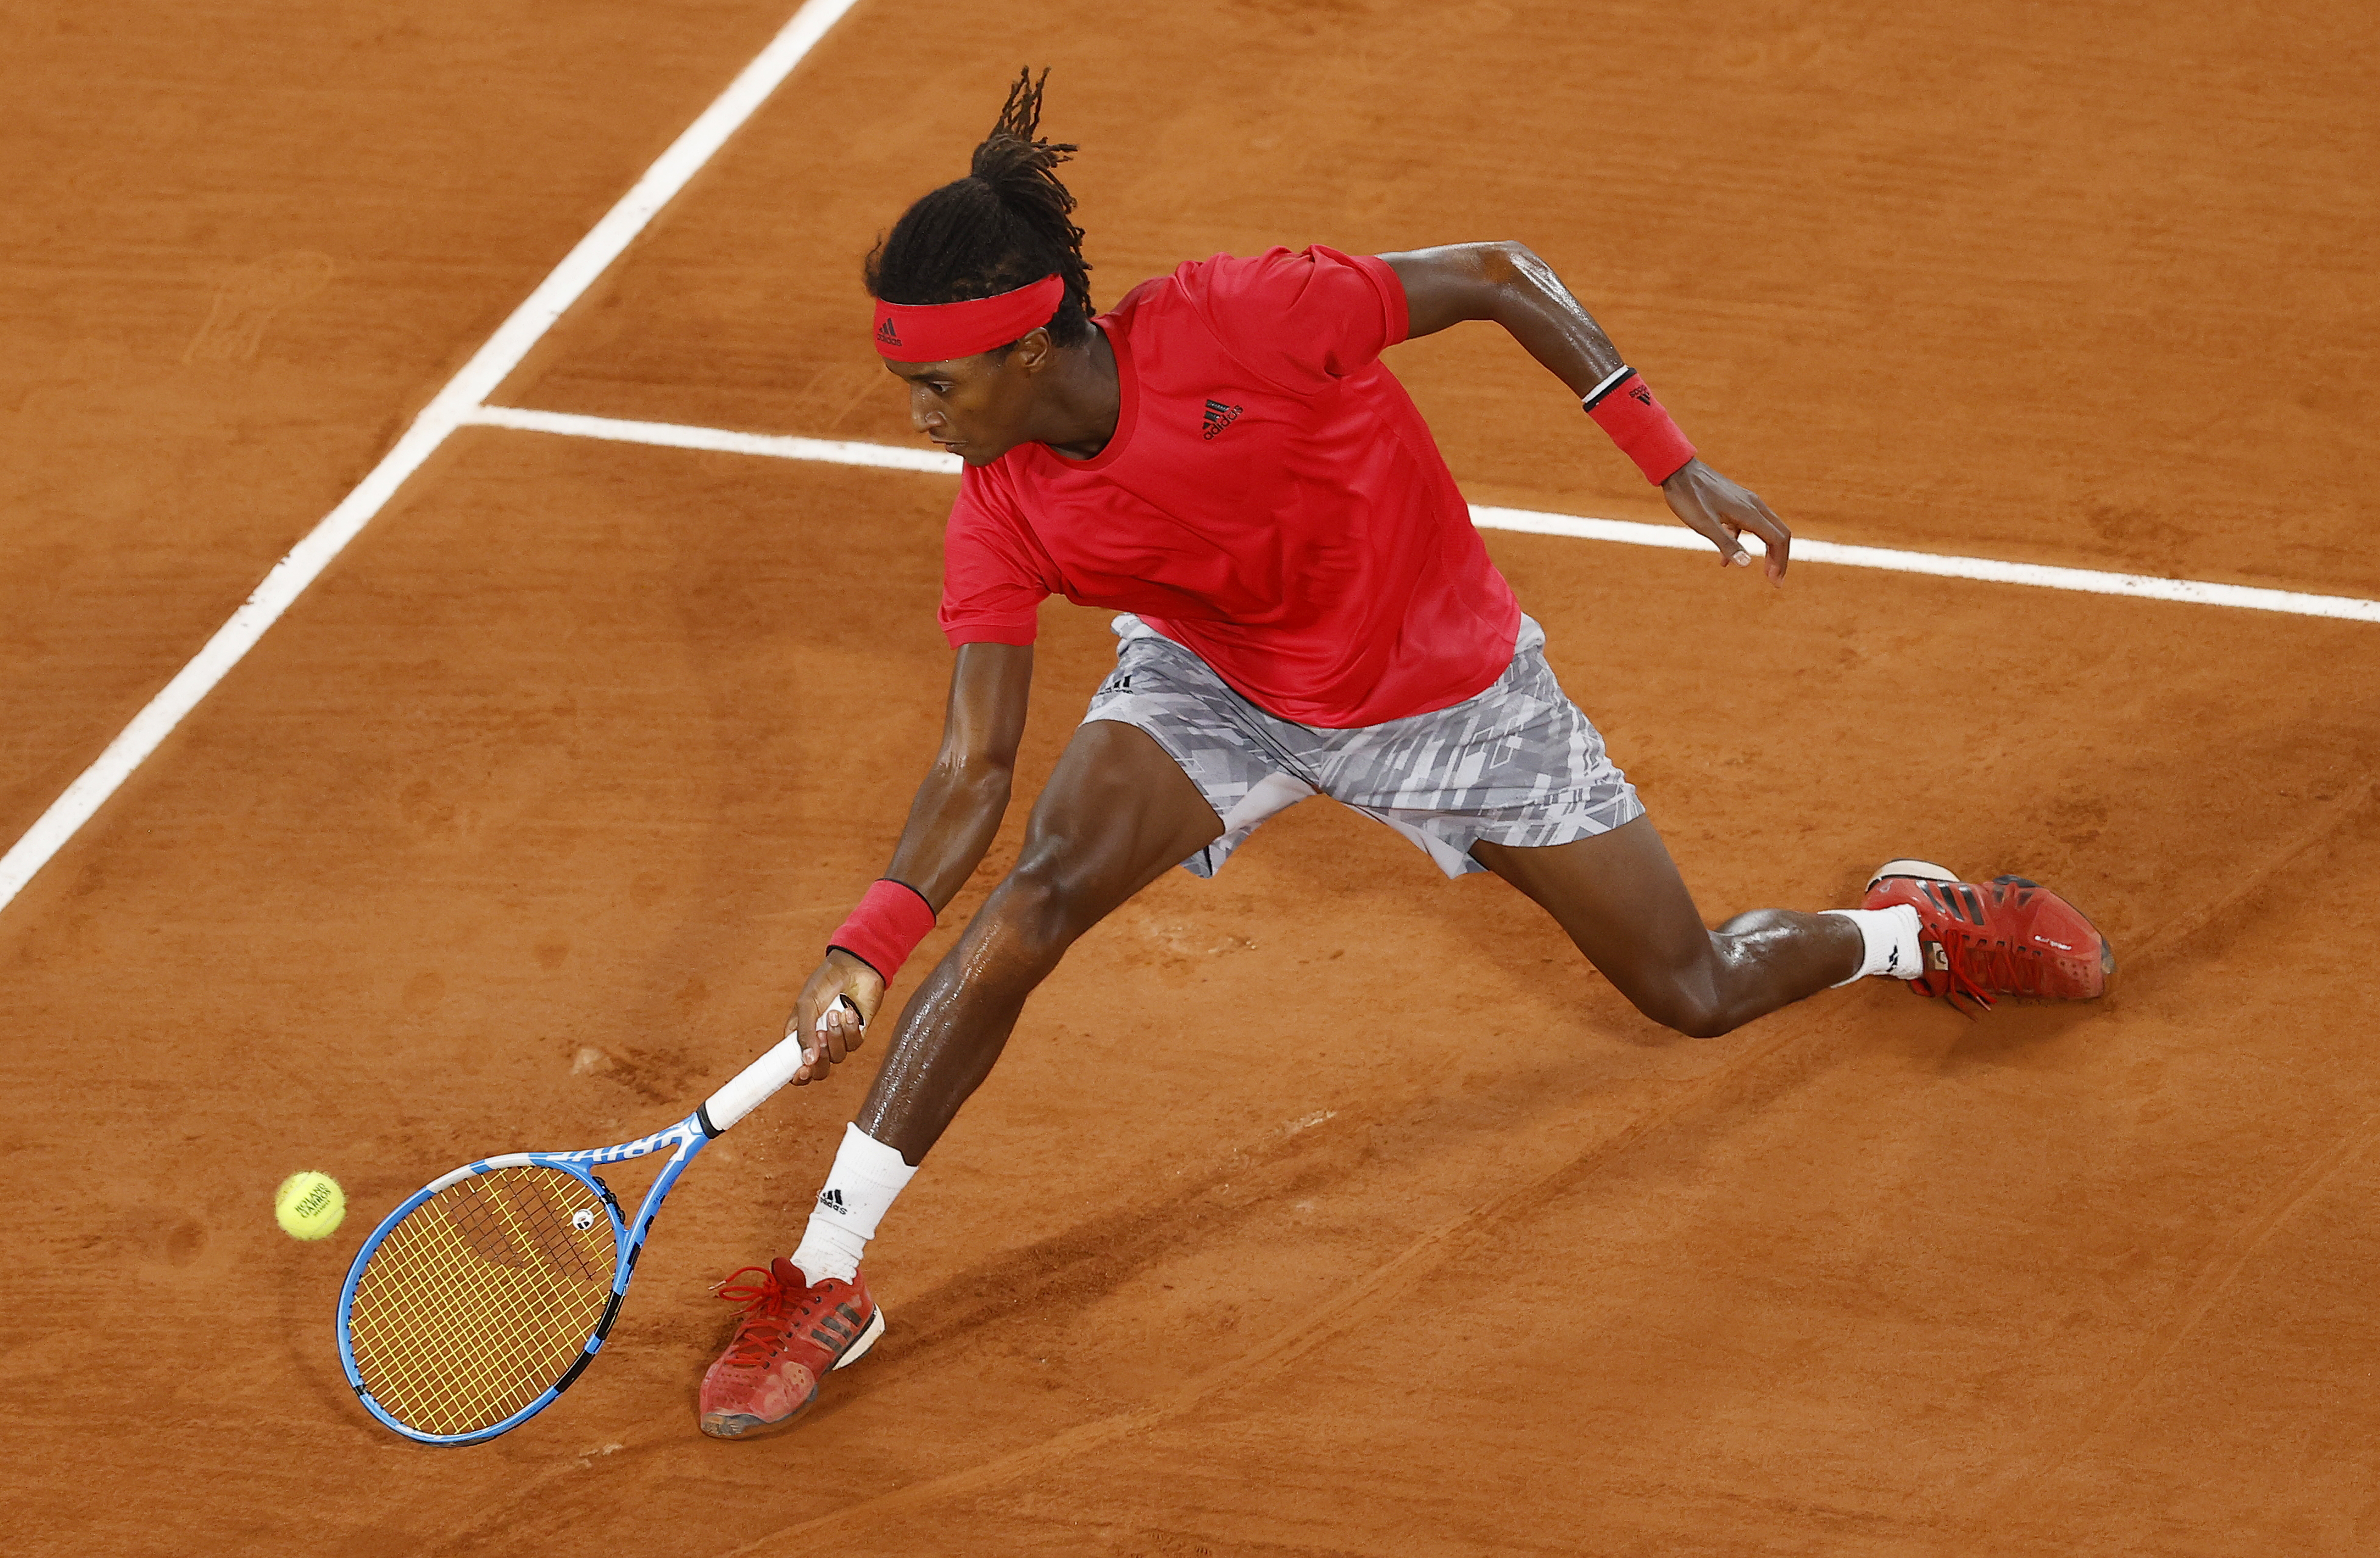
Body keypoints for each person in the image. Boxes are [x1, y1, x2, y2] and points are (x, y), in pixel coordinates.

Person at [692, 71, 2113, 1440]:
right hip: (1219, 682)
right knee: (1033, 903)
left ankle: (1909, 930)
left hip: (1449, 700)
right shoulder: (1000, 508)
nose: (918, 415)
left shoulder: (1244, 315)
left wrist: (1669, 457)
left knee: (1694, 990)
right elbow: (974, 766)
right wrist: (866, 949)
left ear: (1026, 348)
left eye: (936, 384)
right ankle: (822, 1278)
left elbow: (1497, 273)